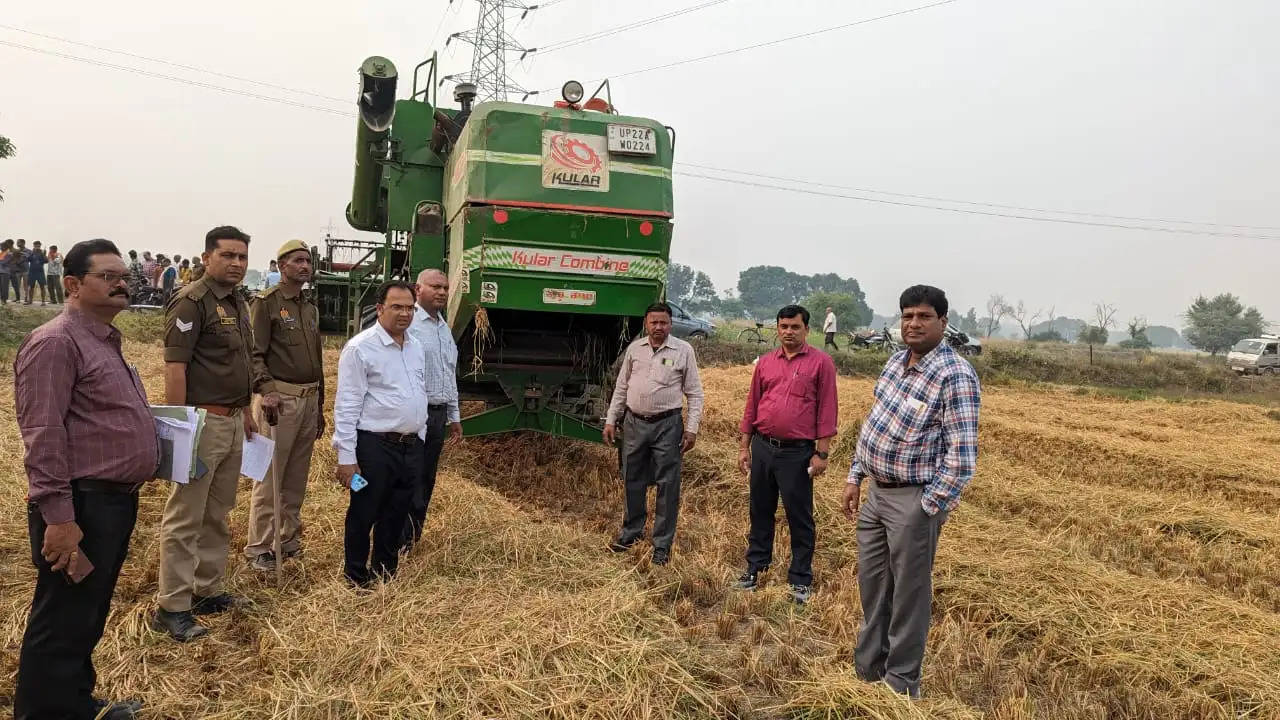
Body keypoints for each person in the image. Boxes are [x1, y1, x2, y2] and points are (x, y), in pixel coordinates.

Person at [13, 239, 156, 720]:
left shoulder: (103, 340)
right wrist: (59, 517)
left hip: (112, 504)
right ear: (72, 285)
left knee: (87, 614)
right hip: (80, 506)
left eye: (123, 275)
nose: (122, 283)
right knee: (62, 617)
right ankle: (42, 711)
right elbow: (43, 435)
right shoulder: (56, 343)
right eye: (108, 276)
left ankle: (74, 703)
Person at [843, 285, 980, 699]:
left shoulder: (955, 375)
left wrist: (928, 506)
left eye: (923, 316)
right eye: (907, 316)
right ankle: (868, 669)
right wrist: (855, 476)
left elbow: (962, 455)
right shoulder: (893, 364)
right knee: (872, 586)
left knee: (908, 594)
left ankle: (901, 683)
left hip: (913, 500)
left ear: (943, 321)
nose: (913, 324)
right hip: (876, 496)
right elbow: (873, 426)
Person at [152, 226, 257, 642]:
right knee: (185, 517)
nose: (236, 263)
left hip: (231, 421)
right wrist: (180, 427)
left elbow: (237, 364)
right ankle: (172, 605)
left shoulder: (237, 302)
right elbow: (175, 368)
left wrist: (245, 410)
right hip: (202, 423)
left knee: (217, 511)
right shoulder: (192, 301)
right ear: (207, 257)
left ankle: (206, 589)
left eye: (242, 257)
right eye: (228, 255)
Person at [734, 304, 838, 605]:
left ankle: (800, 579)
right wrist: (744, 447)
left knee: (799, 516)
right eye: (783, 327)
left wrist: (822, 454)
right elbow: (752, 406)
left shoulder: (821, 363)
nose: (788, 332)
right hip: (764, 447)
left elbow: (827, 410)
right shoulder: (766, 363)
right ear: (777, 329)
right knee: (760, 510)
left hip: (798, 453)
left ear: (807, 329)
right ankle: (755, 568)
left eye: (795, 327)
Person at [333, 281, 428, 588]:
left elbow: (418, 391)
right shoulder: (361, 348)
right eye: (396, 307)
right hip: (374, 448)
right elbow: (347, 405)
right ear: (379, 309)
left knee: (397, 512)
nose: (404, 314)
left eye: (410, 308)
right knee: (365, 510)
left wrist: (421, 432)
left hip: (410, 447)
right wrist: (346, 458)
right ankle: (356, 577)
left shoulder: (416, 347)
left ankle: (385, 574)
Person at [243, 240, 325, 572]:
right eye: (297, 260)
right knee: (270, 477)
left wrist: (320, 406)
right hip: (281, 401)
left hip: (307, 401)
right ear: (280, 266)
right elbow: (254, 352)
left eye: (308, 260)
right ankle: (260, 547)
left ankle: (288, 540)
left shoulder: (309, 307)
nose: (304, 266)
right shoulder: (266, 304)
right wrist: (266, 390)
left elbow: (318, 361)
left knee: (295, 477)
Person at [602, 302, 704, 565]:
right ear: (646, 324)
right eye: (653, 322)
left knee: (667, 485)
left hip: (667, 426)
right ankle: (631, 533)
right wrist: (612, 419)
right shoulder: (635, 349)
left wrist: (691, 429)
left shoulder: (683, 350)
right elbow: (621, 387)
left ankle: (662, 544)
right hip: (634, 423)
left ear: (671, 324)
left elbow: (694, 393)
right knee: (632, 477)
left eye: (664, 322)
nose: (659, 327)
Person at [404, 268, 462, 545]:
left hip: (437, 416)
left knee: (426, 479)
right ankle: (397, 537)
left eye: (445, 288)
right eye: (435, 286)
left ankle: (414, 536)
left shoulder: (443, 328)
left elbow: (449, 373)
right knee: (408, 477)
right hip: (414, 415)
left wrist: (455, 416)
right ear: (418, 290)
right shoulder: (409, 325)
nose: (441, 292)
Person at [24, 241, 48, 305]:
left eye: (38, 245)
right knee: (31, 287)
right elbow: (27, 259)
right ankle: (30, 301)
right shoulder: (31, 252)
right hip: (32, 272)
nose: (37, 246)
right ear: (34, 245)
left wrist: (44, 254)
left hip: (40, 272)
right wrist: (31, 253)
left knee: (42, 287)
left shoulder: (43, 252)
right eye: (35, 245)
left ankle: (43, 301)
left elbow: (46, 261)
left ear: (40, 245)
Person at [0, 239, 13, 304]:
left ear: (6, 247)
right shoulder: (1, 253)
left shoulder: (9, 254)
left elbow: (4, 262)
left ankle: (4, 300)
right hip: (1, 271)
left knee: (4, 286)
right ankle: (2, 299)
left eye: (2, 246)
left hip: (5, 272)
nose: (1, 248)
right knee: (1, 287)